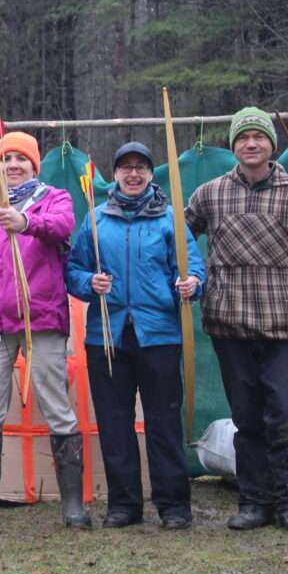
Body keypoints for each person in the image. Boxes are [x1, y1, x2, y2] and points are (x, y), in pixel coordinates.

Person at [185, 106, 288, 533]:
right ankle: (254, 502)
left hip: (285, 324)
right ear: (233, 146)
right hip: (229, 323)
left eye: (258, 137)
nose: (250, 144)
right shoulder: (210, 194)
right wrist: (187, 275)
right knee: (247, 419)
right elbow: (179, 239)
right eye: (242, 138)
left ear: (272, 144)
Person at [0, 131, 91, 531]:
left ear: (34, 165)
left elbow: (64, 227)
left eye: (21, 159)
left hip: (42, 320)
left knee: (57, 407)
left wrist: (26, 221)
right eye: (6, 158)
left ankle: (73, 506)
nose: (13, 165)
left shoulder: (53, 199)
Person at [65, 141, 204, 530]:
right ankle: (124, 505)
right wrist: (90, 282)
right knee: (114, 421)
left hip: (158, 334)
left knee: (163, 421)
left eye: (141, 167)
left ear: (150, 174)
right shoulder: (96, 220)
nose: (133, 174)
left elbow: (193, 266)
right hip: (106, 336)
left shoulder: (169, 221)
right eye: (125, 167)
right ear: (116, 175)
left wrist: (192, 282)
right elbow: (73, 270)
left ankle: (173, 506)